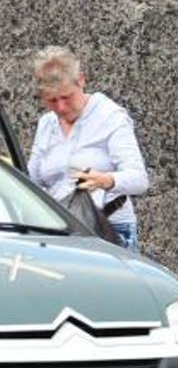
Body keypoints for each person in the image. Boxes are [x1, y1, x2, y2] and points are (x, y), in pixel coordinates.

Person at [28, 46, 149, 252]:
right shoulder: (47, 124)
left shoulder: (110, 117)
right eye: (52, 101)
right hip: (61, 232)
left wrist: (107, 180)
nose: (61, 108)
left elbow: (140, 180)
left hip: (108, 228)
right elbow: (33, 179)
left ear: (81, 80)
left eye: (67, 97)